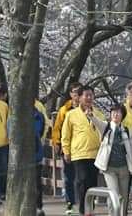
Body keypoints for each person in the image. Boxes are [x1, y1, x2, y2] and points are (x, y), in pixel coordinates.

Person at [61, 85, 106, 216]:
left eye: (91, 95)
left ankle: (90, 209)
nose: (89, 98)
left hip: (95, 154)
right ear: (79, 98)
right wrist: (66, 151)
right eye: (86, 95)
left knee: (92, 182)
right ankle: (83, 209)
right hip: (79, 153)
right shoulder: (71, 115)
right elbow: (65, 135)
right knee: (82, 180)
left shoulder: (98, 114)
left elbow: (104, 132)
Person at [96, 104, 132, 215]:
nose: (115, 114)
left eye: (118, 112)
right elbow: (97, 123)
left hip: (124, 168)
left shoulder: (126, 130)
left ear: (122, 115)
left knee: (124, 196)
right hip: (109, 168)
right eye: (113, 111)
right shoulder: (106, 127)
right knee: (113, 194)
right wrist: (91, 116)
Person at [51, 81, 82, 214]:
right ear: (70, 94)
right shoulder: (64, 110)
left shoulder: (86, 108)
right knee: (69, 176)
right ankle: (70, 202)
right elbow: (57, 128)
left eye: (79, 92)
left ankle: (82, 201)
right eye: (75, 92)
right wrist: (56, 143)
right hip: (68, 146)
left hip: (82, 147)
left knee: (81, 176)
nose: (77, 95)